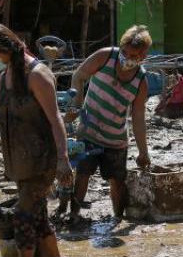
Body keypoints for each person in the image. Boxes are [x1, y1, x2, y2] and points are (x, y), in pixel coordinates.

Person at [0, 24, 70, 257]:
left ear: (5, 49)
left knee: (23, 217)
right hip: (19, 162)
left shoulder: (37, 74)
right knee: (39, 217)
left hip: (41, 160)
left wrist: (63, 159)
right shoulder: (4, 75)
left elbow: (55, 119)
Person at [64, 25, 152, 221]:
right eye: (125, 53)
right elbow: (78, 77)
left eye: (134, 55)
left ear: (143, 56)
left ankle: (118, 219)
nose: (127, 58)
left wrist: (143, 151)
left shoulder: (141, 81)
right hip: (88, 129)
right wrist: (76, 106)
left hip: (116, 138)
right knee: (83, 174)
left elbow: (138, 118)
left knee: (117, 180)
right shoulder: (105, 57)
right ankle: (74, 215)